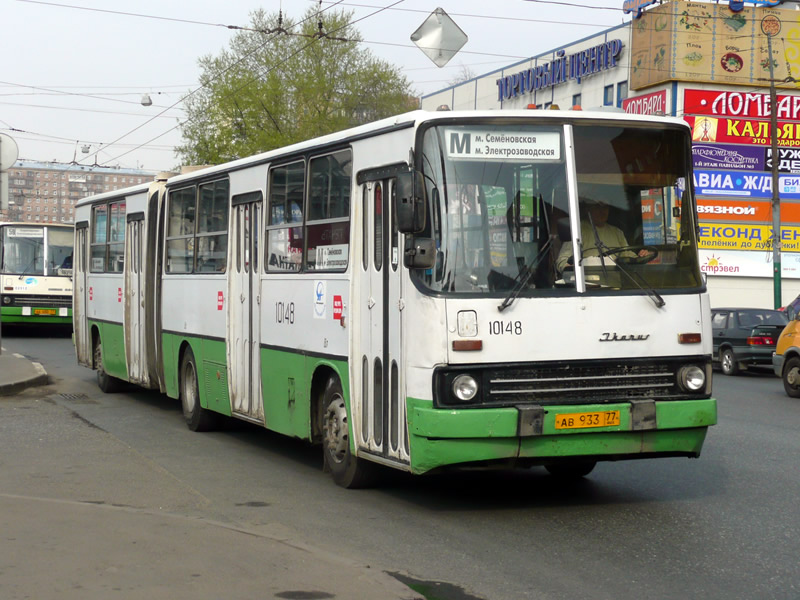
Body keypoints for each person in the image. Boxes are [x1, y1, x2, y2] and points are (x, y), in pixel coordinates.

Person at [556, 197, 648, 273]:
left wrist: (640, 257)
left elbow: (627, 256)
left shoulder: (617, 232)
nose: (602, 211)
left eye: (605, 207)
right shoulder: (578, 230)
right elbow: (562, 260)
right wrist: (570, 269)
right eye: (597, 207)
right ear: (588, 209)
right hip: (589, 288)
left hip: (616, 288)